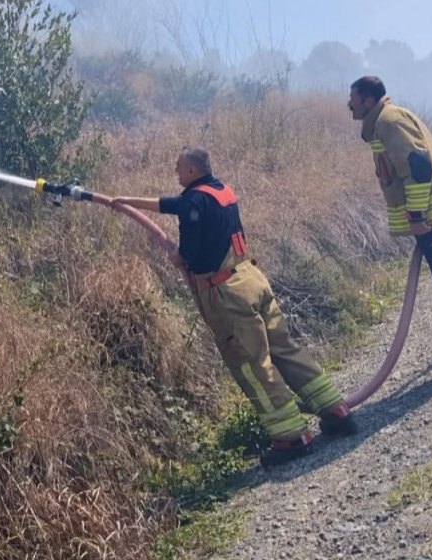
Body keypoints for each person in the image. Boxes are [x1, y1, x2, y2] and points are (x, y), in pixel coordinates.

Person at [111, 147, 357, 467]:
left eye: (179, 167)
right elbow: (172, 204)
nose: (175, 171)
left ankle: (290, 436)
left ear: (193, 170)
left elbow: (189, 254)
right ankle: (335, 410)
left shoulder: (193, 202)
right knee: (285, 349)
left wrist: (177, 258)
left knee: (253, 365)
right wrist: (125, 201)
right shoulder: (220, 190)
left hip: (226, 293)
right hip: (252, 279)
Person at [348, 76, 432, 318]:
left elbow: (418, 168)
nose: (349, 104)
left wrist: (416, 216)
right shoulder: (385, 122)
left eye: (353, 98)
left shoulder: (389, 121)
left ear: (368, 100)